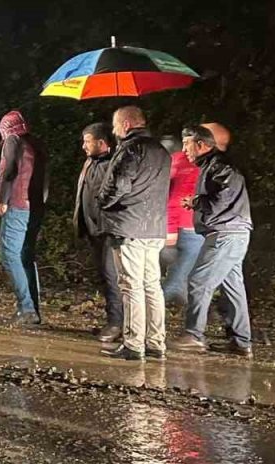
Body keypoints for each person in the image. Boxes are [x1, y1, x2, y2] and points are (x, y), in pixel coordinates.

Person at [171, 125, 255, 357]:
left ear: (201, 144)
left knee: (199, 281)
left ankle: (194, 335)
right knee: (233, 288)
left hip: (226, 233)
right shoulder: (213, 165)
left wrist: (197, 202)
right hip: (232, 232)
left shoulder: (219, 166)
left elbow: (224, 196)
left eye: (187, 143)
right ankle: (241, 342)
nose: (184, 149)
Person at [97, 106, 170, 361]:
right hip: (155, 228)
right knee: (152, 286)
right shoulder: (161, 151)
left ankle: (133, 343)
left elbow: (119, 185)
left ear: (126, 125)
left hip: (129, 227)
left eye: (116, 125)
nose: (114, 130)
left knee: (131, 286)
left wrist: (103, 201)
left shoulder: (130, 149)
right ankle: (156, 342)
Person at [0, 110, 49, 325]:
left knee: (10, 254)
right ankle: (33, 310)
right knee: (26, 256)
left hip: (17, 204)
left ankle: (26, 308)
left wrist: (2, 199)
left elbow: (8, 172)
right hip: (35, 207)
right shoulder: (37, 144)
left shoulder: (13, 141)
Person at [74, 123, 122, 341]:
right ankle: (113, 320)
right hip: (93, 229)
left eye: (88, 141)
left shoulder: (112, 165)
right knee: (104, 276)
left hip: (108, 230)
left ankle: (117, 323)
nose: (84, 145)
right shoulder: (90, 162)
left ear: (102, 143)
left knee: (113, 277)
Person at [160, 135, 205, 307]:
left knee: (182, 272)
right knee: (179, 275)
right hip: (189, 228)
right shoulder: (187, 162)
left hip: (184, 226)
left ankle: (188, 304)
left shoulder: (177, 162)